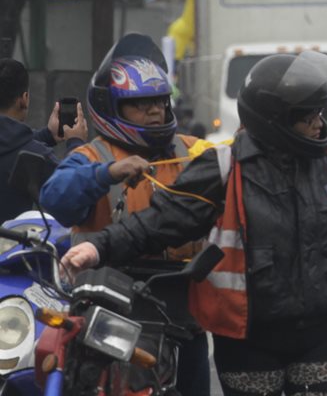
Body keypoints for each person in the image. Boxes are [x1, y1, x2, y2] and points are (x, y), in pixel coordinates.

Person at [62, 51, 327, 396]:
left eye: (319, 114)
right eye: (307, 117)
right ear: (275, 120)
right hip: (248, 336)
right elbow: (161, 220)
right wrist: (97, 247)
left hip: (322, 329)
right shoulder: (225, 167)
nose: (318, 124)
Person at [40, 34, 210, 396]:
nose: (154, 111)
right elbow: (55, 197)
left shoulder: (194, 151)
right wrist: (108, 174)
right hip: (111, 313)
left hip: (184, 312)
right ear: (112, 107)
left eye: (159, 102)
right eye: (140, 104)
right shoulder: (92, 156)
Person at [0, 59, 88, 221]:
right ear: (24, 98)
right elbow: (75, 191)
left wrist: (47, 135)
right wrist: (76, 143)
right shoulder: (35, 157)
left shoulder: (27, 149)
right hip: (13, 238)